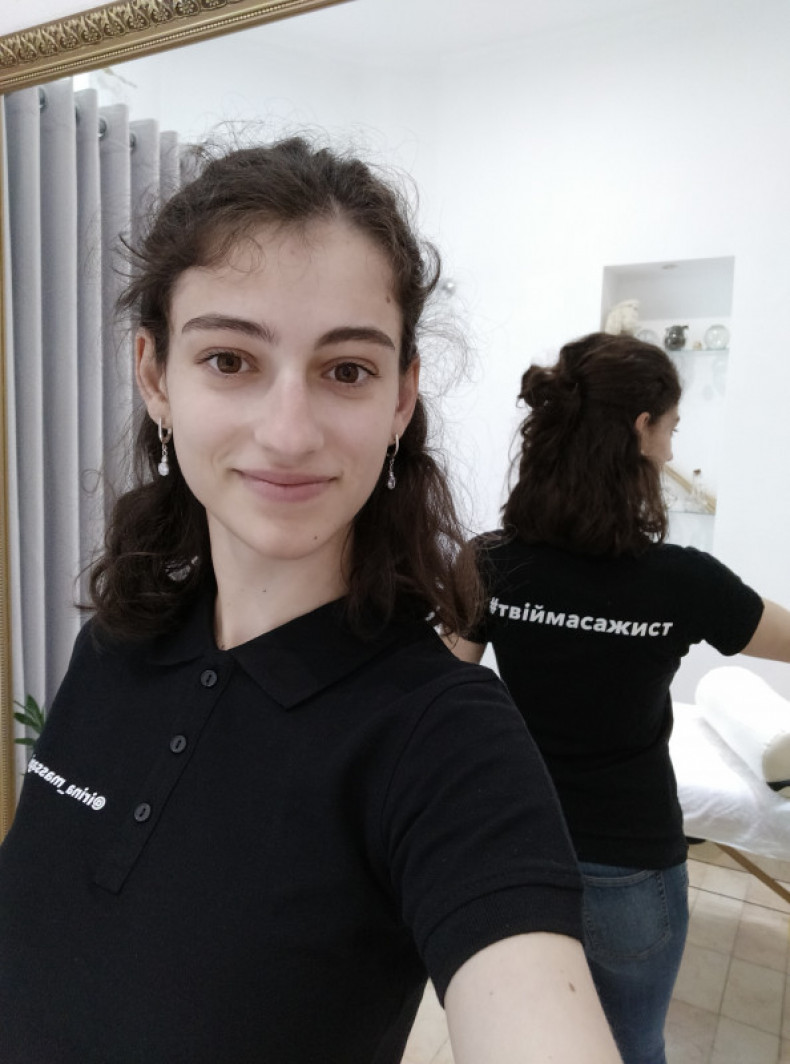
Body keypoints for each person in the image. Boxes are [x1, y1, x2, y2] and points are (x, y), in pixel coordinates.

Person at [0, 140, 622, 1063]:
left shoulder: (445, 740)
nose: (289, 433)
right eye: (229, 359)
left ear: (401, 398)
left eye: (346, 371)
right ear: (156, 376)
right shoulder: (116, 645)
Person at [447, 331, 790, 1064]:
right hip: (631, 865)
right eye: (671, 429)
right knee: (632, 1048)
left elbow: (442, 694)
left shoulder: (490, 562)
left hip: (518, 849)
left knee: (534, 1045)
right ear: (640, 429)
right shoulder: (684, 580)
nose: (670, 449)